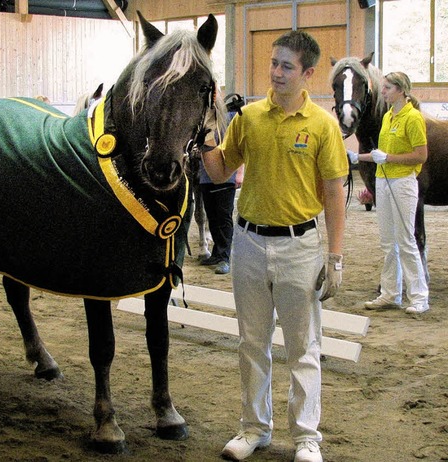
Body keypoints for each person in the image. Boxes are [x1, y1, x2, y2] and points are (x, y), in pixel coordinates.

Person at [202, 30, 347, 462]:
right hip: (247, 243)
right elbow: (221, 169)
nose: (276, 72)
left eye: (286, 66)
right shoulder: (249, 117)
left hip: (299, 246)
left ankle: (306, 436)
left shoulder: (323, 125)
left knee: (303, 347)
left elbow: (335, 192)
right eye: (273, 63)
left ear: (307, 73)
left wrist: (335, 257)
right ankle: (254, 428)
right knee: (251, 342)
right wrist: (206, 137)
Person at [347, 72, 429, 314]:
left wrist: (389, 158)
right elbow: (381, 153)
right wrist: (358, 157)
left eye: (388, 87)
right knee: (387, 241)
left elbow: (421, 155)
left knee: (405, 240)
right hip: (383, 180)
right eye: (383, 87)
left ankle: (419, 296)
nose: (383, 91)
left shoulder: (412, 118)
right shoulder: (387, 117)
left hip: (403, 181)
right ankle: (390, 293)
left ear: (402, 90)